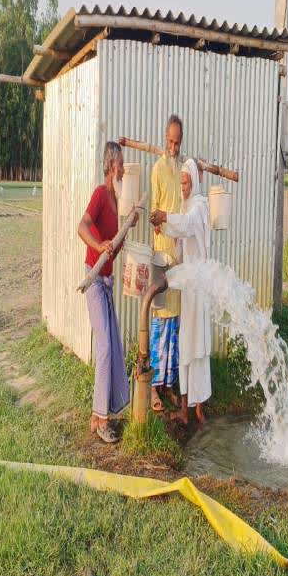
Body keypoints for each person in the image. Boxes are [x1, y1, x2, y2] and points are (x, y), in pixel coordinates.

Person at [77, 141, 138, 443]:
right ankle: (102, 421)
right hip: (94, 281)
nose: (124, 169)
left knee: (112, 346)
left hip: (108, 281)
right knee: (103, 348)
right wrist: (97, 245)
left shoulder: (119, 202)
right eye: (121, 164)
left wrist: (129, 225)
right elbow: (82, 227)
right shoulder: (101, 196)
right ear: (110, 165)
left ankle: (98, 414)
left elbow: (117, 243)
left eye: (124, 164)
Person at [150, 158, 212, 424]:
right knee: (188, 345)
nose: (183, 188)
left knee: (197, 347)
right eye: (181, 183)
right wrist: (167, 231)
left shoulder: (199, 206)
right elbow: (180, 247)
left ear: (194, 182)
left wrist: (165, 217)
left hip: (198, 290)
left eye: (186, 183)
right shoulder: (188, 208)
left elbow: (186, 225)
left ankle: (197, 409)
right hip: (189, 292)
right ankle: (189, 408)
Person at [149, 115, 184, 414]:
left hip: (179, 252)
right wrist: (158, 221)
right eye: (170, 141)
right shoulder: (158, 169)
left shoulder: (182, 169)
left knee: (175, 321)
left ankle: (169, 383)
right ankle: (153, 388)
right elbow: (155, 211)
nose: (173, 147)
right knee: (160, 317)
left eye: (177, 142)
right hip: (162, 252)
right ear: (164, 138)